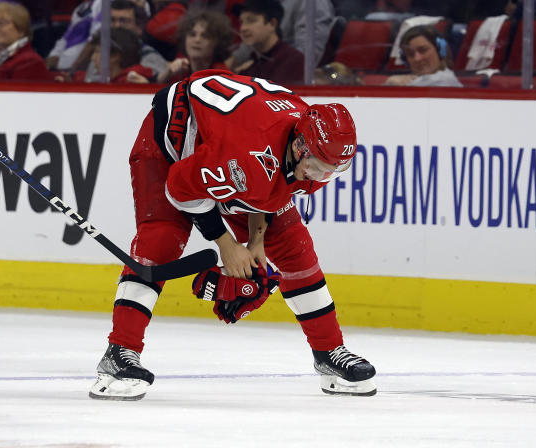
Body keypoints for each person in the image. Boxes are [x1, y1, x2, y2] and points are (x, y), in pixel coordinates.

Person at [89, 71, 376, 400]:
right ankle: (119, 352)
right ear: (299, 146)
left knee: (293, 247)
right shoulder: (246, 153)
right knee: (161, 239)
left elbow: (270, 189)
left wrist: (256, 243)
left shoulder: (312, 154)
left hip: (229, 143)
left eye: (335, 168)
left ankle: (329, 353)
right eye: (321, 166)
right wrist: (226, 245)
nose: (324, 177)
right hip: (169, 143)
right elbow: (180, 189)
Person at [236, 0, 307, 84]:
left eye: (251, 21)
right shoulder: (248, 66)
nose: (243, 28)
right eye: (241, 22)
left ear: (272, 24)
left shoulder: (294, 61)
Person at [157, 11, 234, 83]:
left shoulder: (223, 76)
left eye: (205, 36)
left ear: (217, 43)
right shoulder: (180, 71)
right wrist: (168, 73)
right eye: (192, 34)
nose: (197, 40)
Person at [385, 25, 461, 87]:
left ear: (440, 50)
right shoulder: (418, 80)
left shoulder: (444, 82)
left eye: (423, 50)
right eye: (410, 54)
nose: (417, 58)